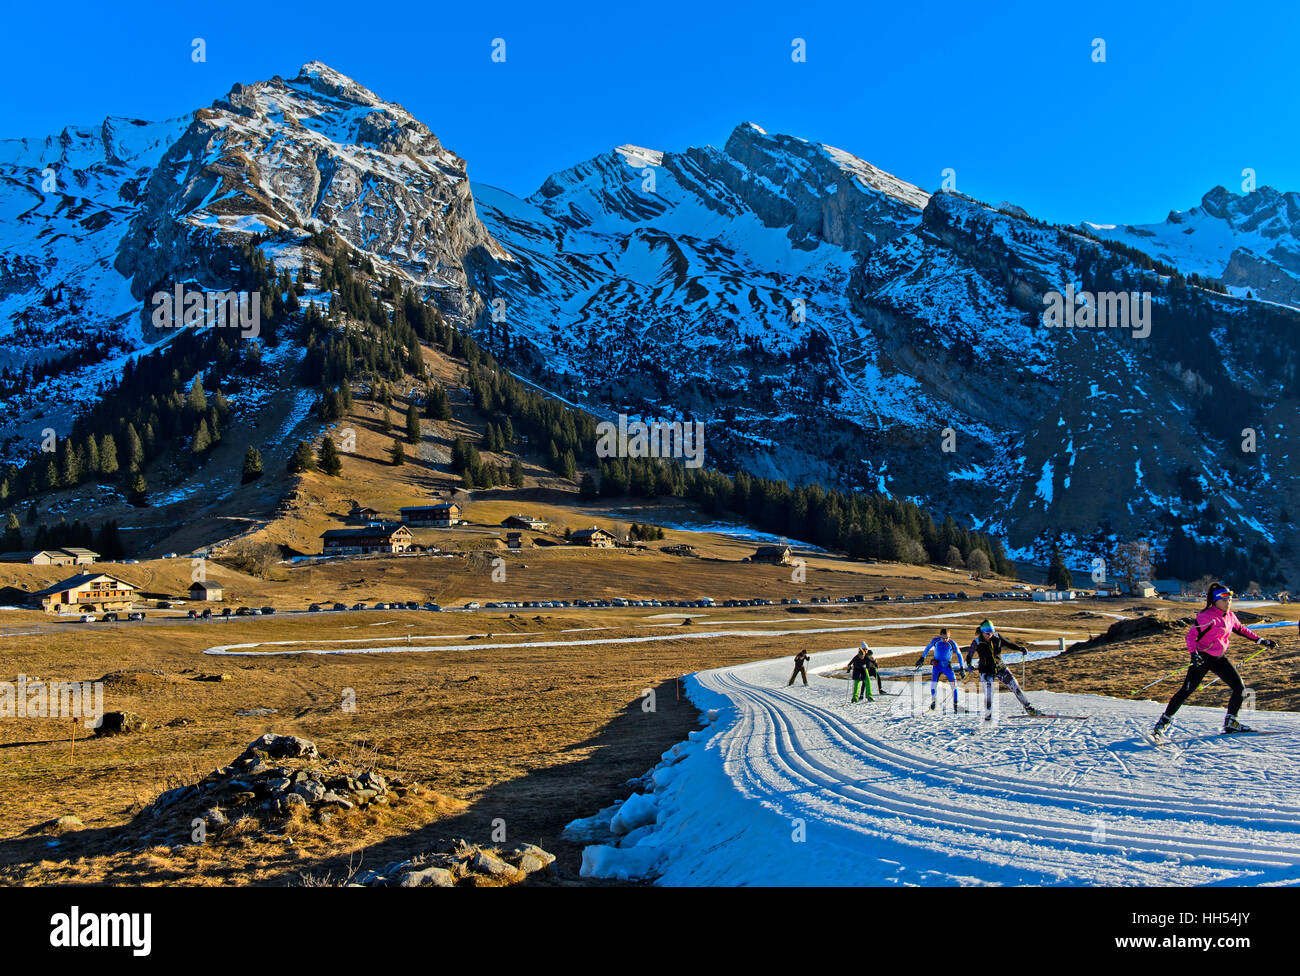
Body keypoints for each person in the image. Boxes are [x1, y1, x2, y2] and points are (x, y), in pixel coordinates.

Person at [1153, 583, 1276, 737]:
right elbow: (1191, 636)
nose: (1228, 603)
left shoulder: (1230, 615)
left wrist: (1262, 641)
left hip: (1219, 657)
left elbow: (1241, 629)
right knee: (1187, 689)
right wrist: (1194, 654)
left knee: (1240, 688)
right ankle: (1163, 722)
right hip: (1203, 657)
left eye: (1230, 600)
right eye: (1224, 600)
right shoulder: (1207, 616)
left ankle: (1231, 723)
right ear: (1216, 601)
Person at [969, 619, 1042, 719]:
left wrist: (1020, 648)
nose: (990, 635)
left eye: (991, 632)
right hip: (986, 672)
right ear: (982, 632)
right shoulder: (977, 642)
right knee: (989, 695)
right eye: (987, 633)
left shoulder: (997, 637)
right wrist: (969, 664)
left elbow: (1009, 644)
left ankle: (1029, 708)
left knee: (1015, 687)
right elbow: (969, 655)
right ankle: (988, 715)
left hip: (1000, 668)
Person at [915, 627, 966, 712]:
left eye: (947, 638)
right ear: (940, 636)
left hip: (947, 666)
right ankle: (934, 702)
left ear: (949, 636)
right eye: (943, 638)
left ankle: (955, 705)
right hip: (937, 665)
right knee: (933, 684)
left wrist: (962, 668)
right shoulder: (936, 641)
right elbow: (927, 648)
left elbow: (959, 655)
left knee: (954, 685)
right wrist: (922, 658)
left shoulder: (952, 643)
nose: (945, 640)